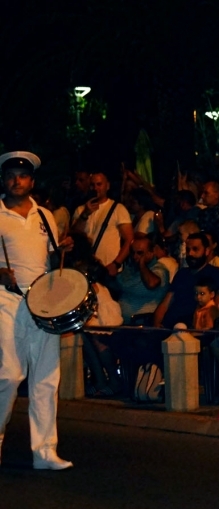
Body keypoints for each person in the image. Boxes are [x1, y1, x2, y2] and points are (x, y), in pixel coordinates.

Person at [0, 152, 74, 470]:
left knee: (46, 377)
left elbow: (51, 262)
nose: (18, 180)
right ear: (4, 180)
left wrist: (64, 252)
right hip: (6, 299)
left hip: (41, 303)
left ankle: (45, 451)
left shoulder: (45, 216)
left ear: (32, 181)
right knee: (9, 374)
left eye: (24, 175)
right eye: (12, 175)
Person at [72, 171, 133, 275]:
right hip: (85, 269)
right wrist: (85, 214)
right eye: (92, 185)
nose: (95, 188)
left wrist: (116, 264)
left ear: (107, 186)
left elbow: (129, 240)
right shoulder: (80, 210)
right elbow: (74, 235)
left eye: (99, 184)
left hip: (108, 269)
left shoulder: (118, 209)